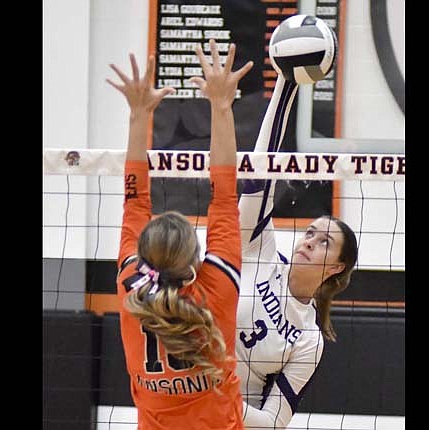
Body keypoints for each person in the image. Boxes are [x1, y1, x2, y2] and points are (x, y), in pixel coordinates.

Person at [107, 40, 253, 429]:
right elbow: (223, 194)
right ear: (195, 258)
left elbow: (134, 201)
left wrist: (139, 115)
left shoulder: (130, 286)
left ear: (143, 256)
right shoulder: (217, 284)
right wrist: (222, 105)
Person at [235, 75, 359, 429]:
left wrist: (219, 400)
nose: (308, 242)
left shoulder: (309, 338)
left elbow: (274, 422)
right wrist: (285, 84)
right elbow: (260, 173)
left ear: (336, 267)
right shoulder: (260, 249)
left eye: (324, 242)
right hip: (187, 408)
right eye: (310, 233)